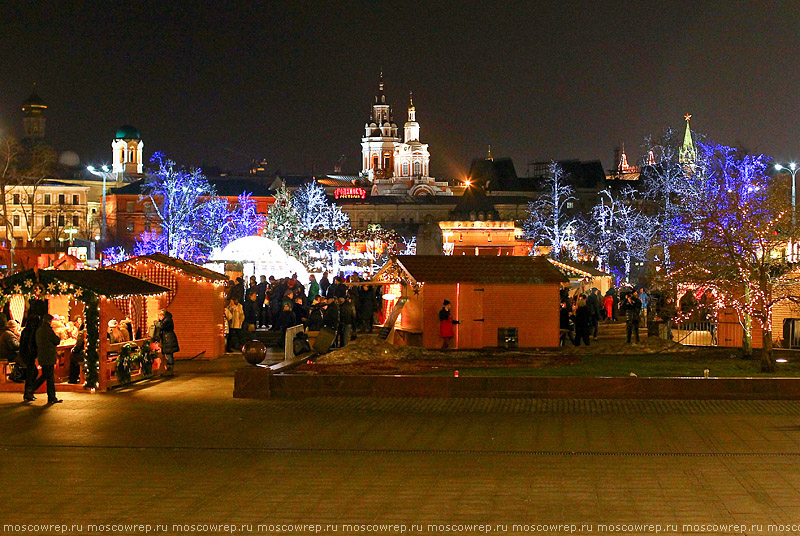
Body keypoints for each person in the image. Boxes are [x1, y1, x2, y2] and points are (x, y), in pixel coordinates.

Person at [31, 314, 62, 404]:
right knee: (48, 376)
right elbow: (56, 341)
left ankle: (51, 397)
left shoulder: (39, 330)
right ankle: (33, 388)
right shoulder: (48, 331)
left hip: (42, 356)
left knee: (48, 376)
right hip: (49, 356)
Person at [21, 315, 41, 402]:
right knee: (32, 373)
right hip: (29, 355)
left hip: (26, 354)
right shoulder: (32, 332)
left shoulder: (26, 331)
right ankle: (29, 392)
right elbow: (30, 344)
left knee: (32, 373)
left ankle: (28, 392)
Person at [68, 318, 85, 384]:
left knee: (73, 358)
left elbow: (78, 347)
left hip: (83, 355)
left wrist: (73, 350)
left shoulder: (82, 334)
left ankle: (73, 378)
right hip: (91, 353)